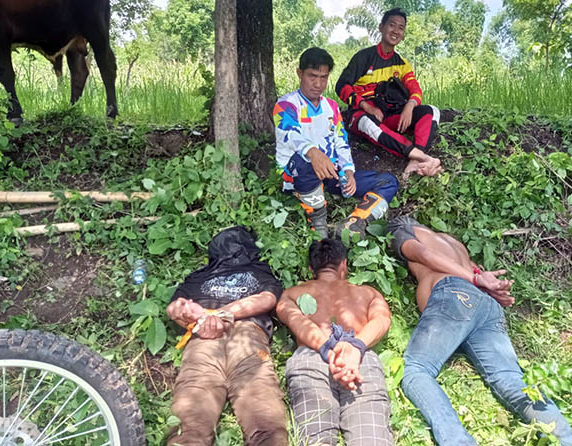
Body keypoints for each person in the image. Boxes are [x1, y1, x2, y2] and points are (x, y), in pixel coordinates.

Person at [386, 216, 572, 446]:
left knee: (415, 370)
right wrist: (485, 283)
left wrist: (475, 278)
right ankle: (569, 441)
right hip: (485, 305)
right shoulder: (452, 243)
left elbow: (424, 255)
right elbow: (477, 276)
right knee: (509, 377)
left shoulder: (402, 230)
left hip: (454, 296)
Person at [166, 226, 288, 446]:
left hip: (245, 334)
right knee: (189, 426)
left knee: (266, 423)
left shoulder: (260, 271)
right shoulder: (198, 277)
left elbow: (267, 299)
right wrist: (181, 312)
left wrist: (213, 315)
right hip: (206, 340)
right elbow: (174, 307)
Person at [276, 239, 393, 446]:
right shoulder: (368, 293)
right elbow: (382, 320)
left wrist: (328, 349)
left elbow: (297, 321)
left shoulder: (292, 294)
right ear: (344, 265)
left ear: (311, 269)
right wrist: (355, 348)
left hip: (310, 359)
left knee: (316, 440)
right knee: (372, 440)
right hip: (358, 362)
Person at [274, 47, 399, 239]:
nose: (318, 84)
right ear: (300, 73)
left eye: (323, 77)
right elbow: (290, 135)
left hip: (329, 172)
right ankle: (318, 220)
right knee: (303, 161)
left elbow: (341, 140)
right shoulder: (286, 104)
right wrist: (313, 153)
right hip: (297, 174)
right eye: (312, 76)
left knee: (388, 181)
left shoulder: (331, 106)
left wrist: (348, 171)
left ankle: (355, 222)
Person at [335, 8, 442, 178]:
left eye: (401, 27)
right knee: (369, 124)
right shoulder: (363, 57)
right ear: (381, 27)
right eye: (392, 25)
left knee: (432, 111)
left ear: (404, 34)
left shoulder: (402, 63)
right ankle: (423, 158)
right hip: (362, 113)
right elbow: (341, 86)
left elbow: (415, 89)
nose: (396, 31)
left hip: (390, 113)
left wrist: (410, 105)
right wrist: (367, 107)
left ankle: (415, 159)